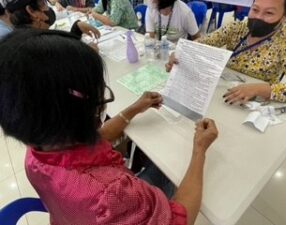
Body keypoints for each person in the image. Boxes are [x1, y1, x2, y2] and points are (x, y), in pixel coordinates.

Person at [0, 29, 218, 225]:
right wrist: (200, 149)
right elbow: (181, 218)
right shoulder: (113, 194)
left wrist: (134, 108)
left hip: (75, 215)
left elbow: (96, 140)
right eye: (97, 94)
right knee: (172, 169)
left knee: (159, 165)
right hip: (108, 206)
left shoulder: (38, 150)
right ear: (74, 112)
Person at [166, 0, 286, 104]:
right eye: (255, 9)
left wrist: (261, 89)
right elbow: (202, 43)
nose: (258, 17)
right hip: (222, 92)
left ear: (285, 16)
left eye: (269, 13)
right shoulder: (236, 28)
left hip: (255, 103)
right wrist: (181, 53)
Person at [0, 0, 100, 39]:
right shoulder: (36, 45)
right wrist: (90, 54)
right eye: (43, 4)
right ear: (31, 11)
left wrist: (76, 30)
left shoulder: (19, 37)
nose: (47, 16)